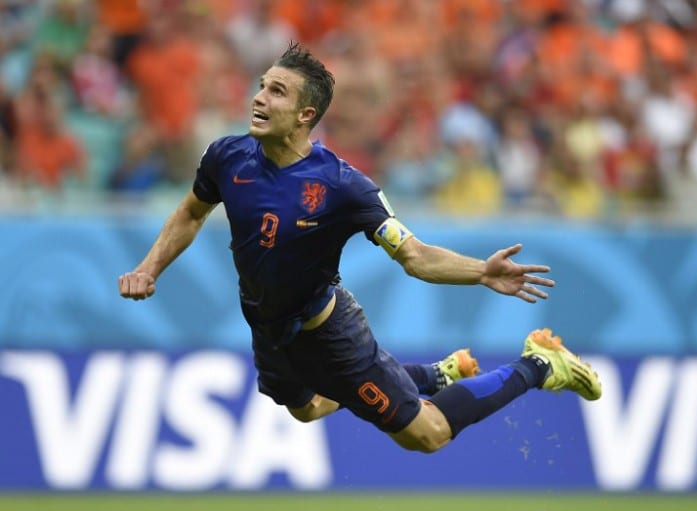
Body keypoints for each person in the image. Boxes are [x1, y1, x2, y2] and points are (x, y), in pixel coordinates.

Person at [118, 42, 601, 453]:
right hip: (266, 327)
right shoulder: (227, 156)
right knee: (307, 408)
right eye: (262, 85)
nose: (259, 99)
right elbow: (190, 212)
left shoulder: (343, 186)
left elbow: (414, 255)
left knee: (427, 435)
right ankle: (435, 374)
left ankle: (539, 364)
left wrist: (482, 271)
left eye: (276, 92)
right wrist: (149, 267)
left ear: (306, 115)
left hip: (330, 338)